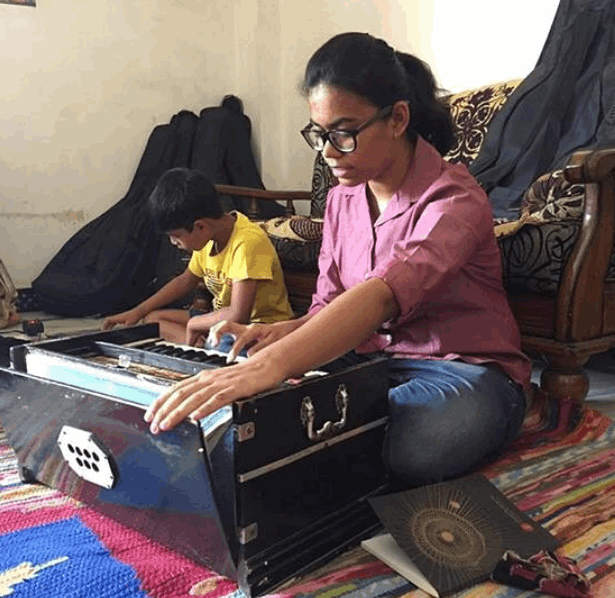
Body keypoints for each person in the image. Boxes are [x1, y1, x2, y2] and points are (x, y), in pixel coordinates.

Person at [144, 32, 533, 487]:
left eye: (344, 133)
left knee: (417, 439)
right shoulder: (341, 201)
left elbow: (383, 295)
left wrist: (269, 367)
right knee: (240, 366)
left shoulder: (454, 199)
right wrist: (273, 334)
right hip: (366, 360)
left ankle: (499, 413)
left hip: (458, 371)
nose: (328, 152)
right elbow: (329, 310)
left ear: (398, 118)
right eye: (320, 135)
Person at [102, 167, 293, 349]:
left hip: (257, 327)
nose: (173, 242)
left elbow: (238, 315)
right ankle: (199, 346)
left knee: (226, 348)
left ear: (200, 226)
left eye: (176, 236)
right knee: (153, 319)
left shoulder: (247, 243)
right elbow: (185, 280)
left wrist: (196, 323)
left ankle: (201, 346)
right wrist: (139, 311)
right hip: (221, 321)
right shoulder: (209, 237)